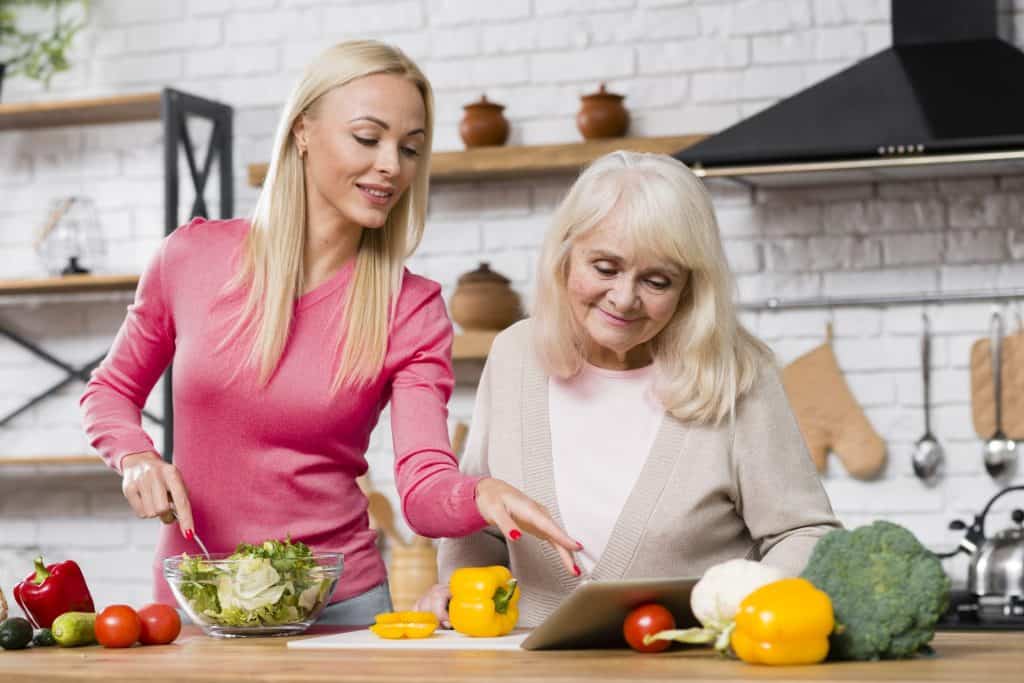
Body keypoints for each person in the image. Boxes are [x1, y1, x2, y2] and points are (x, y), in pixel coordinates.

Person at [80, 40, 578, 626]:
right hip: (197, 601)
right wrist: (137, 457)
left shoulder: (410, 308)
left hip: (338, 608)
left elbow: (423, 486)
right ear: (303, 131)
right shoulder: (190, 257)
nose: (392, 165)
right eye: (368, 138)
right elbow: (110, 390)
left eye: (410, 148)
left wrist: (479, 495)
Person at [416, 151, 841, 627]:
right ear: (565, 256)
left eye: (657, 281)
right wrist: (459, 589)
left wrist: (735, 611)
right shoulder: (515, 354)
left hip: (686, 658)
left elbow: (805, 534)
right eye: (604, 268)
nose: (624, 299)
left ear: (690, 288)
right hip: (524, 656)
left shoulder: (739, 373)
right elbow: (482, 523)